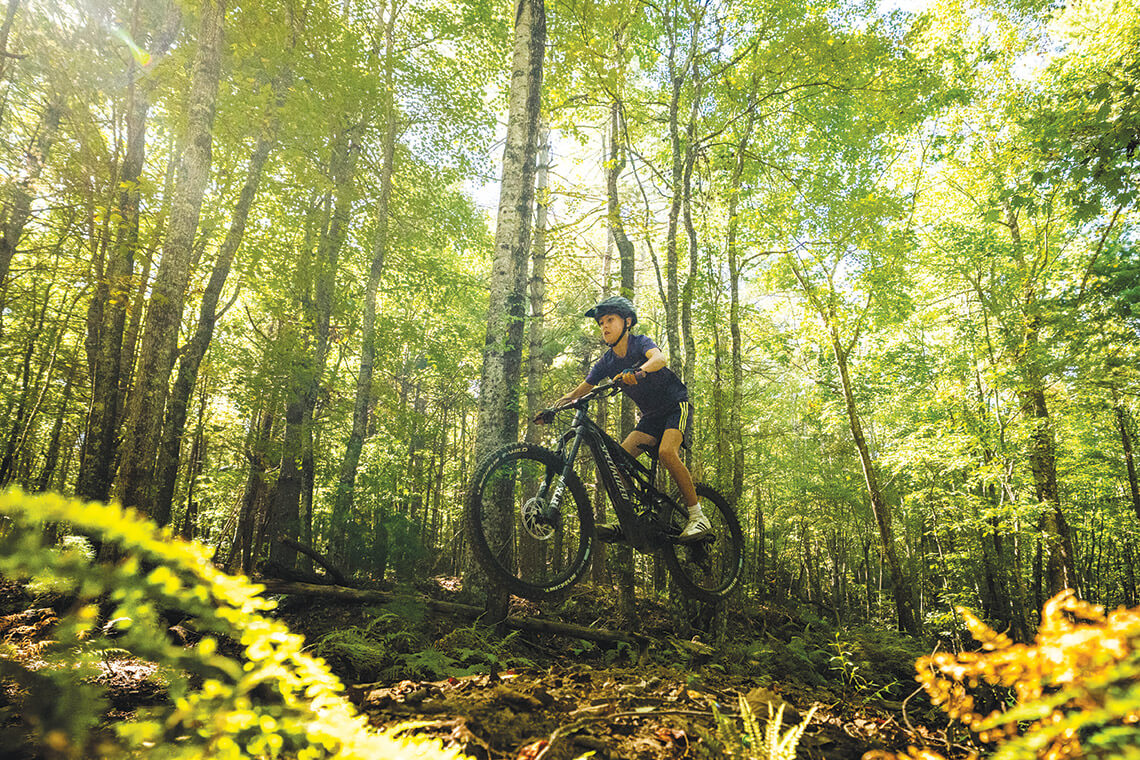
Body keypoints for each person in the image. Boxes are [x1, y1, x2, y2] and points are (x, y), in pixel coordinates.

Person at [540, 295, 710, 542]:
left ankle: (698, 517)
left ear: (627, 322)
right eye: (600, 323)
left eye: (610, 320)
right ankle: (632, 518)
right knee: (616, 462)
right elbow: (581, 390)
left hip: (675, 406)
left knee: (666, 452)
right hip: (650, 418)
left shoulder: (640, 343)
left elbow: (659, 359)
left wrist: (639, 372)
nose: (604, 327)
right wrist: (553, 409)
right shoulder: (607, 362)